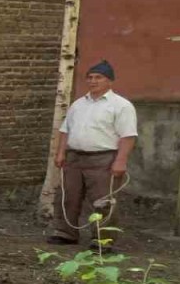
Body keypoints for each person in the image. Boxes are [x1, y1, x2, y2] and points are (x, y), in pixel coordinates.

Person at [48, 60, 137, 250]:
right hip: (75, 158)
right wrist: (61, 152)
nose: (93, 81)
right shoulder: (78, 104)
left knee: (102, 201)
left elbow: (128, 136)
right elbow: (65, 130)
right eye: (90, 77)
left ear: (109, 81)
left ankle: (102, 240)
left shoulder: (121, 106)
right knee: (68, 196)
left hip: (103, 159)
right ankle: (65, 233)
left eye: (98, 77)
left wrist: (120, 161)